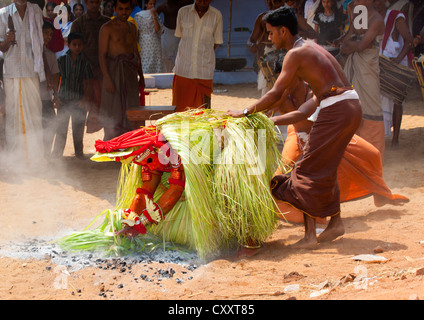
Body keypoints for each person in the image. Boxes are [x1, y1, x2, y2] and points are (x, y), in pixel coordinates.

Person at [226, 7, 362, 249]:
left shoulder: (295, 53)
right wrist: (268, 115)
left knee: (306, 168)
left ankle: (310, 237)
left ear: (283, 30)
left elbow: (277, 92)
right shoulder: (311, 46)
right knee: (323, 166)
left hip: (337, 109)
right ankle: (336, 222)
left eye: (270, 33)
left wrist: (245, 111)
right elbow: (291, 101)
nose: (268, 39)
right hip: (351, 105)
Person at [269, 52, 409, 211]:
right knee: (282, 177)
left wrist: (272, 119)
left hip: (327, 135)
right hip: (298, 137)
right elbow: (266, 111)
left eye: (287, 77)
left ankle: (380, 193)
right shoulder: (278, 93)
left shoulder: (315, 89)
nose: (284, 82)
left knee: (372, 154)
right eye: (281, 78)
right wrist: (271, 108)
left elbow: (303, 114)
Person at [0, 0, 45, 163]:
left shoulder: (36, 11)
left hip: (31, 69)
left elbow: (40, 43)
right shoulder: (3, 14)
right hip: (12, 72)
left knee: (33, 113)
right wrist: (6, 40)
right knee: (13, 116)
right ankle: (16, 160)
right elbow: (2, 47)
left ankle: (34, 157)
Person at [339, 0, 386, 158]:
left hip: (367, 71)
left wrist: (351, 45)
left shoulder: (377, 20)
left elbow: (361, 46)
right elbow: (347, 42)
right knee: (352, 108)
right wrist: (351, 44)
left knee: (371, 109)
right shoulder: (359, 14)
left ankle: (373, 155)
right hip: (354, 68)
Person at [98, 0, 144, 140]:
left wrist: (141, 76)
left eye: (126, 9)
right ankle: (112, 144)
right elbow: (101, 55)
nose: (123, 12)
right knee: (112, 109)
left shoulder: (132, 27)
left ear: (131, 9)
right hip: (113, 73)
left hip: (130, 74)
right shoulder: (107, 28)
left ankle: (129, 143)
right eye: (120, 9)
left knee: (131, 108)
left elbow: (136, 52)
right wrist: (108, 79)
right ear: (115, 9)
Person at [374, 0, 414, 148]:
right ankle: (380, 136)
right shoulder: (372, 17)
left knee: (397, 100)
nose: (376, 3)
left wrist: (397, 60)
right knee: (376, 101)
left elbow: (409, 40)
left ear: (386, 2)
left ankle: (395, 139)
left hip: (395, 66)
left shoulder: (396, 17)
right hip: (379, 64)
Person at [172, 0, 223, 112]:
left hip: (204, 72)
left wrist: (204, 53)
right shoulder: (183, 12)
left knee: (203, 113)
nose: (203, 1)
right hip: (183, 71)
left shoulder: (216, 15)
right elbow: (181, 37)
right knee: (180, 112)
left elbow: (216, 42)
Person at [52, 32, 93, 159]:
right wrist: (56, 97)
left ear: (83, 46)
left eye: (79, 45)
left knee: (78, 128)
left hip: (78, 100)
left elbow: (88, 83)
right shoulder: (61, 61)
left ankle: (79, 153)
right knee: (61, 128)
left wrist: (85, 99)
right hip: (63, 99)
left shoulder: (85, 63)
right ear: (68, 45)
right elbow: (55, 79)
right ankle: (57, 154)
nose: (77, 47)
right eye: (74, 44)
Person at [70, 0, 110, 134]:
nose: (94, 4)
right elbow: (74, 50)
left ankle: (108, 142)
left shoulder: (107, 22)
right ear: (86, 3)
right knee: (81, 108)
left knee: (105, 107)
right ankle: (78, 149)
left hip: (103, 72)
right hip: (84, 73)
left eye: (96, 2)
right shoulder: (78, 23)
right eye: (91, 2)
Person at [247, 0, 285, 97]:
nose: (272, 3)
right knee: (267, 91)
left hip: (284, 58)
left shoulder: (288, 18)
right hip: (266, 58)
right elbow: (251, 40)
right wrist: (252, 46)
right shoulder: (262, 18)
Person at [40, 21, 60, 158]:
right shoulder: (31, 54)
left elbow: (55, 77)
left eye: (50, 34)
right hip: (33, 97)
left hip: (46, 98)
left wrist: (56, 96)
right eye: (45, 33)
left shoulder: (51, 55)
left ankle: (46, 154)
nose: (47, 36)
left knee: (51, 124)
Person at [135, 0, 163, 73]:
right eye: (150, 4)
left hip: (155, 44)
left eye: (154, 4)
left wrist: (153, 15)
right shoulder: (139, 15)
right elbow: (137, 31)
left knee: (155, 65)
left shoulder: (155, 15)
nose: (152, 6)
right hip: (144, 44)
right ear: (146, 4)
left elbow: (157, 29)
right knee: (145, 65)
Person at [156, 0, 185, 73]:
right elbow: (155, 14)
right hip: (167, 33)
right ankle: (166, 74)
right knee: (165, 57)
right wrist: (160, 26)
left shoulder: (181, 6)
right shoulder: (164, 6)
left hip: (178, 33)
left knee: (177, 56)